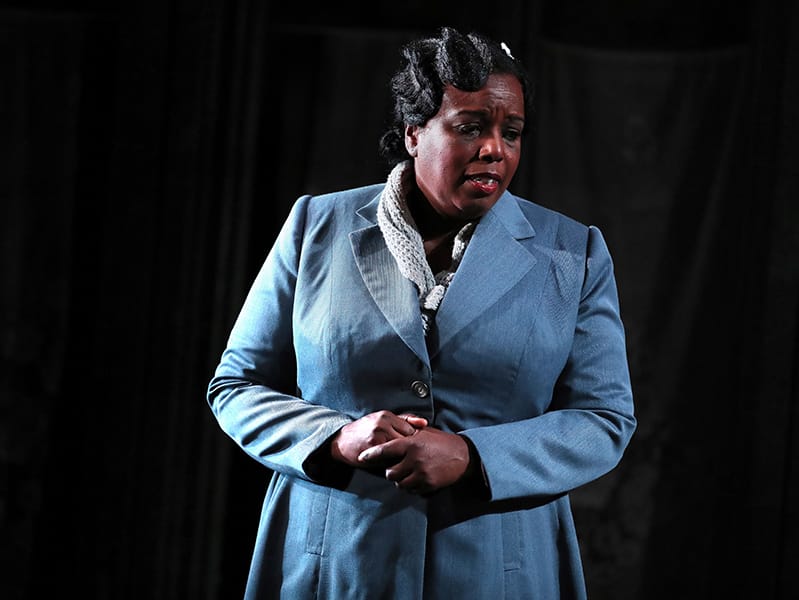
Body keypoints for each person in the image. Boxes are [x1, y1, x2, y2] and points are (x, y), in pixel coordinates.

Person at [207, 26, 636, 600]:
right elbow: (236, 386)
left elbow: (604, 419)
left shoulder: (571, 252)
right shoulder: (316, 226)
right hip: (334, 566)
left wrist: (473, 456)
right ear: (414, 133)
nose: (496, 149)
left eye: (511, 132)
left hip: (500, 573)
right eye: (470, 127)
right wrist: (336, 439)